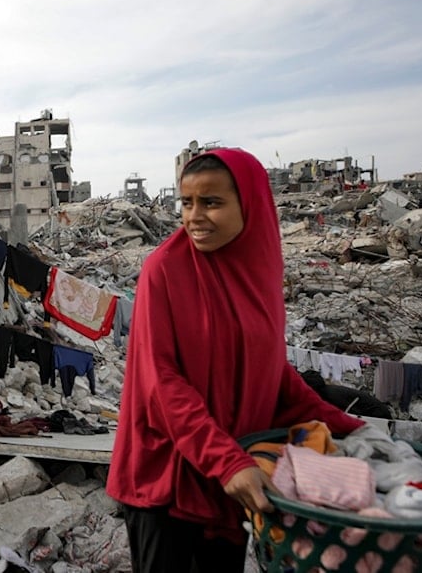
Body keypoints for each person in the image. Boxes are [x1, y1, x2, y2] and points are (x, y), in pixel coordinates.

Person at [105, 148, 365, 573]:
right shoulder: (164, 270)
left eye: (212, 203)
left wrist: (347, 425)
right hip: (168, 480)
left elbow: (270, 372)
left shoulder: (259, 272)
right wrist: (226, 460)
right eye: (187, 203)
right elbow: (161, 383)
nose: (194, 217)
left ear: (250, 206)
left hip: (232, 482)